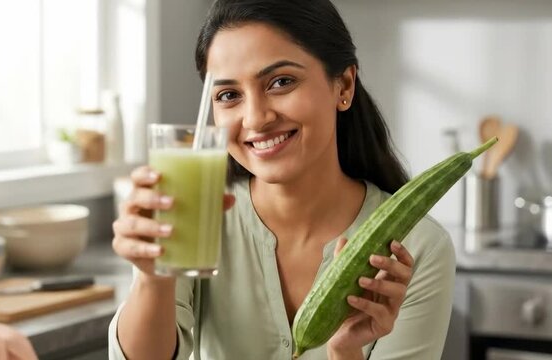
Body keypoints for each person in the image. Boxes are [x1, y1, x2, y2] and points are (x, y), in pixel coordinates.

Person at [108, 0, 455, 359]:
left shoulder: (416, 248)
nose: (256, 118)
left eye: (281, 82)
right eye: (229, 95)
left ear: (344, 86)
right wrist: (152, 277)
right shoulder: (196, 215)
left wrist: (346, 350)